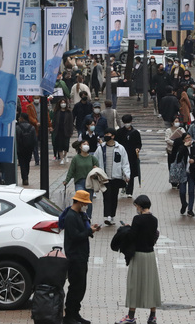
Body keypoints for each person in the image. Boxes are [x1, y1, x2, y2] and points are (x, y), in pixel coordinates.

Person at [115, 195, 161, 324]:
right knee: (151, 285)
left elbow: (132, 236)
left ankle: (130, 316)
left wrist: (128, 228)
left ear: (140, 206)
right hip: (150, 255)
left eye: (136, 206)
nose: (136, 209)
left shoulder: (137, 219)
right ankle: (152, 316)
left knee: (133, 285)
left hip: (139, 255)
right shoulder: (154, 219)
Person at [62, 190, 102, 324]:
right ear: (78, 202)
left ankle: (75, 313)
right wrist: (89, 231)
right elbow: (75, 236)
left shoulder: (79, 215)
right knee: (75, 287)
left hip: (81, 256)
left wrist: (90, 228)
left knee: (81, 287)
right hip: (75, 257)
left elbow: (80, 232)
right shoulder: (71, 217)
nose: (86, 206)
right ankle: (69, 316)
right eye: (85, 203)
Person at [94, 128, 130, 226]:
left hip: (116, 177)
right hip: (104, 177)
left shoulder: (120, 148)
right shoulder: (100, 148)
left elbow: (125, 163)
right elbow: (95, 160)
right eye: (105, 133)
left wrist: (127, 175)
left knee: (114, 197)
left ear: (113, 136)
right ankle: (107, 216)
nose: (106, 135)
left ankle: (112, 215)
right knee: (106, 196)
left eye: (108, 134)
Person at [63, 140, 99, 220]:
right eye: (84, 144)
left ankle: (88, 217)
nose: (86, 145)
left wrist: (96, 170)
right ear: (80, 147)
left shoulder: (92, 158)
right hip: (79, 182)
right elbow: (71, 170)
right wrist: (67, 180)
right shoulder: (76, 158)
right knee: (79, 199)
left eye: (87, 144)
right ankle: (78, 216)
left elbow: (99, 170)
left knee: (88, 201)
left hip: (90, 182)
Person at [170, 132, 195, 216]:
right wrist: (184, 146)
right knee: (182, 191)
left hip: (192, 172)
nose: (189, 140)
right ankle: (184, 204)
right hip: (182, 172)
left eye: (189, 138)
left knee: (191, 191)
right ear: (183, 140)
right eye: (187, 138)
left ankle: (190, 209)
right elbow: (178, 158)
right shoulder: (181, 148)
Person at [115, 115, 142, 198]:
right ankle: (123, 186)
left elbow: (139, 143)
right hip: (121, 156)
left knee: (131, 173)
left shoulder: (135, 132)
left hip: (132, 156)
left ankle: (129, 191)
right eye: (125, 122)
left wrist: (137, 148)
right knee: (122, 172)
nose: (127, 124)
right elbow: (116, 142)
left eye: (128, 122)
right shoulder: (119, 132)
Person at [16, 113, 37, 185]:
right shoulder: (32, 127)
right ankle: (26, 176)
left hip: (20, 149)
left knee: (22, 164)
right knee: (27, 163)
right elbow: (34, 139)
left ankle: (24, 178)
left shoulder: (17, 127)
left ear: (22, 118)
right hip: (29, 149)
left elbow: (17, 139)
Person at [52, 98, 74, 164]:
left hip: (66, 131)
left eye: (64, 102)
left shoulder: (69, 112)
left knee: (66, 145)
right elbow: (54, 121)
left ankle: (65, 155)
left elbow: (71, 122)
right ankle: (61, 158)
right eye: (62, 102)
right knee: (59, 145)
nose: (63, 104)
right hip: (58, 130)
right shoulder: (57, 112)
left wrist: (71, 131)